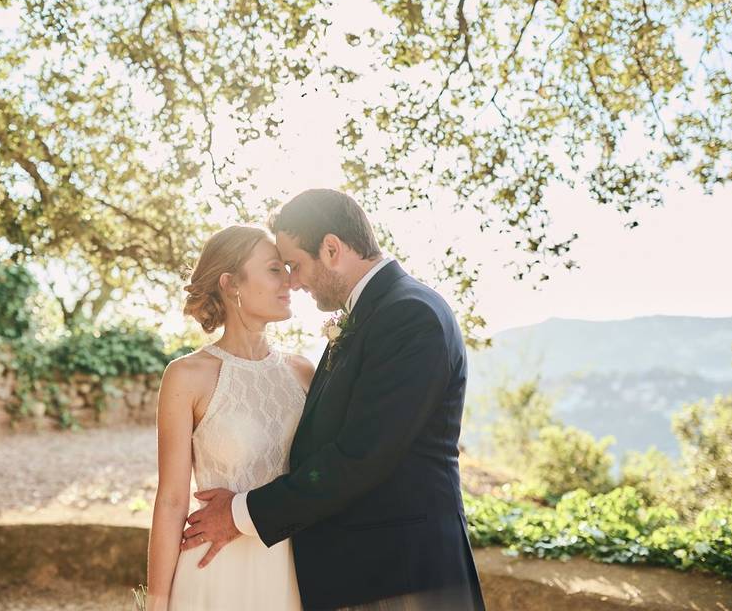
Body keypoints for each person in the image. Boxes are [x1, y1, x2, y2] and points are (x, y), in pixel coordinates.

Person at [181, 189, 486, 610]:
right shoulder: (375, 315)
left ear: (331, 248)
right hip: (367, 572)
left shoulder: (409, 315)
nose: (292, 281)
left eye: (294, 265)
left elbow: (362, 455)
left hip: (401, 577)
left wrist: (240, 514)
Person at [146, 225, 314, 610]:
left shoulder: (304, 372)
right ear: (230, 283)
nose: (289, 280)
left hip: (294, 571)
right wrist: (157, 602)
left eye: (287, 267)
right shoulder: (186, 376)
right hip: (215, 576)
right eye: (274, 269)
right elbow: (172, 500)